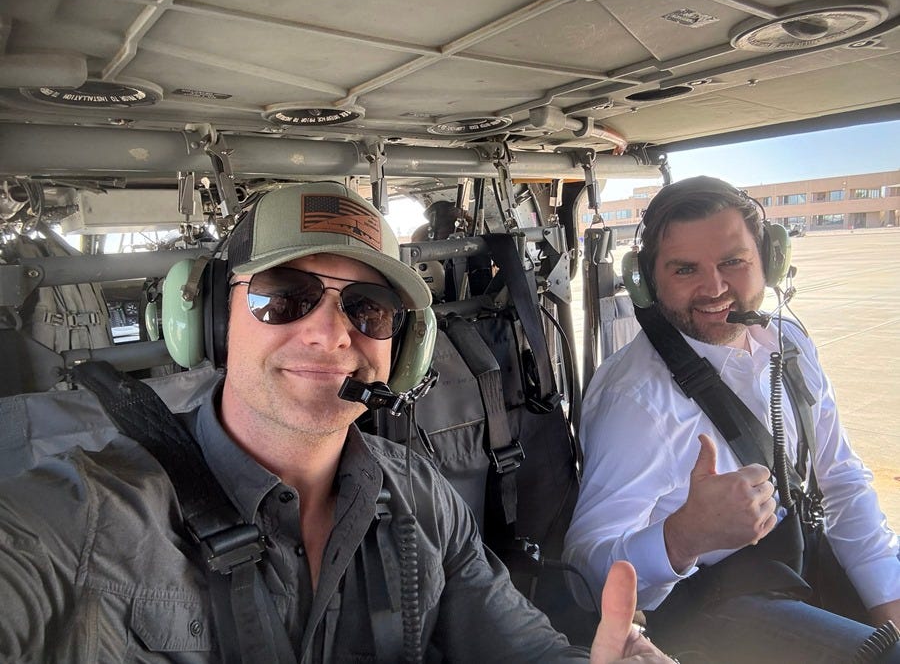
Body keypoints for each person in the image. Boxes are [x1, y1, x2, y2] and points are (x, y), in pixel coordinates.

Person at [0, 182, 673, 663]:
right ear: (208, 321)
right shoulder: (82, 515)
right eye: (283, 297)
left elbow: (513, 643)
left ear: (401, 349)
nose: (329, 332)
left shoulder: (421, 498)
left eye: (368, 308)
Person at [564, 176, 900, 663]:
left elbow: (842, 481)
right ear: (645, 281)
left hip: (793, 561)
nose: (714, 287)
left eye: (733, 262)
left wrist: (889, 608)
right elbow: (584, 572)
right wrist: (683, 537)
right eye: (685, 269)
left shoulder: (788, 345)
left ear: (770, 260)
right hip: (706, 605)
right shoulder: (638, 399)